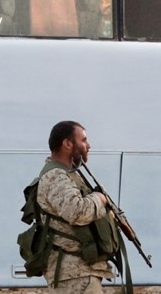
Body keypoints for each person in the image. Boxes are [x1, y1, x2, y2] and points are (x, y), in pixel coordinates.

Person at [36, 121, 116, 293]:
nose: (88, 146)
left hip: (80, 272)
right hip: (74, 276)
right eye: (84, 140)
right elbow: (77, 212)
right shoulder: (56, 176)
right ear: (67, 143)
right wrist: (99, 198)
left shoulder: (68, 175)